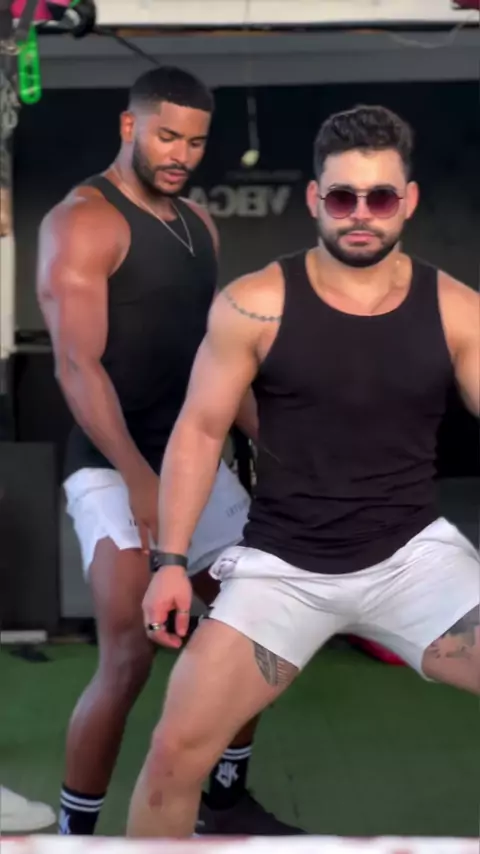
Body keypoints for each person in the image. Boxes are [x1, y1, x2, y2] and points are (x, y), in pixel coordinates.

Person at [127, 104, 480, 838]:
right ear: (316, 198)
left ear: (408, 200)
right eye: (343, 197)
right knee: (172, 756)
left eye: (380, 197)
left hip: (414, 561)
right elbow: (199, 431)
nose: (361, 214)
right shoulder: (254, 304)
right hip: (282, 570)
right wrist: (169, 562)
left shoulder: (458, 312)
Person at [36, 65, 302, 837]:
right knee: (128, 657)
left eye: (194, 141)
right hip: (111, 464)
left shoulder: (199, 226)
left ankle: (224, 799)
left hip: (195, 461)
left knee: (258, 629)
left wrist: (278, 443)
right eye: (167, 136)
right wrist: (139, 479)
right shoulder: (83, 221)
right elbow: (76, 367)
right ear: (130, 127)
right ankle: (75, 838)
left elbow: (212, 360)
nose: (181, 154)